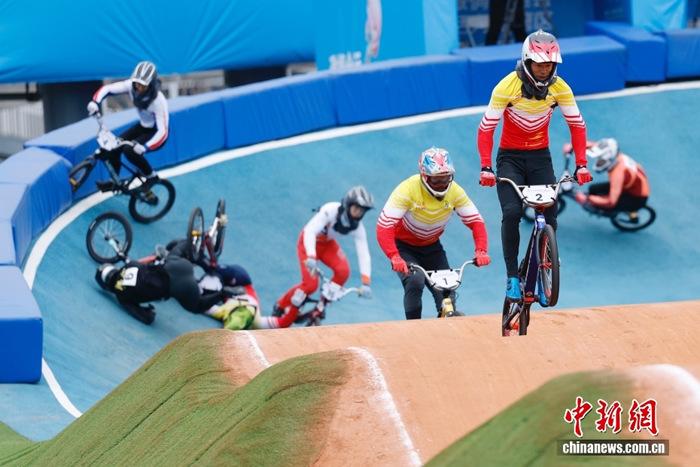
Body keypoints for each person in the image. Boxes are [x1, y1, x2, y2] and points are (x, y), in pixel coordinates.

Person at [476, 30, 592, 303]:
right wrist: (486, 167)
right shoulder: (506, 87)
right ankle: (512, 277)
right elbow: (486, 129)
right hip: (510, 159)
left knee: (550, 211)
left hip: (540, 157)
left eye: (549, 64)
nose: (544, 69)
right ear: (527, 61)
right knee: (512, 212)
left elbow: (577, 125)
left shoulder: (560, 88)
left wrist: (582, 164)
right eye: (539, 64)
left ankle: (545, 259)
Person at [376, 147, 490, 320]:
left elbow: (476, 222)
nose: (442, 184)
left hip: (432, 247)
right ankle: (414, 327)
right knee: (415, 281)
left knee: (447, 289)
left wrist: (481, 250)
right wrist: (394, 256)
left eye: (446, 178)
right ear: (424, 176)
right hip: (404, 247)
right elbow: (384, 226)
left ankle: (446, 323)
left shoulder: (455, 191)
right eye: (436, 179)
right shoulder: (407, 189)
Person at [270, 186, 374, 329]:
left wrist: (366, 282)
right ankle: (280, 305)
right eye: (356, 208)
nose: (358, 213)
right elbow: (310, 231)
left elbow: (363, 252)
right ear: (348, 204)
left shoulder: (358, 227)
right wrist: (311, 256)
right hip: (307, 243)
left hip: (327, 245)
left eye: (362, 211)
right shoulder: (330, 210)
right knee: (310, 285)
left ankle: (320, 307)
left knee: (343, 271)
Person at [95, 239, 229, 325]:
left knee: (197, 306)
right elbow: (148, 262)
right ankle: (198, 243)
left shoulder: (122, 298)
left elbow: (146, 318)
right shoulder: (129, 266)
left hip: (178, 287)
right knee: (182, 245)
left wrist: (149, 310)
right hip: (176, 265)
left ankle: (222, 294)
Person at [86, 61, 168, 191]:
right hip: (142, 126)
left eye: (143, 85)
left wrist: (145, 147)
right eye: (137, 83)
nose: (138, 88)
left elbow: (163, 132)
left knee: (129, 150)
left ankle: (151, 176)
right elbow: (108, 89)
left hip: (154, 133)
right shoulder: (131, 86)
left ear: (151, 85)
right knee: (114, 146)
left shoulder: (158, 101)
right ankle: (115, 181)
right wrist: (95, 102)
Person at [574, 138, 650, 214]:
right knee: (593, 189)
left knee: (601, 203)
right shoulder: (617, 156)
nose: (598, 161)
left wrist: (587, 199)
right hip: (633, 186)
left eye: (601, 159)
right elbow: (598, 147)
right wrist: (573, 146)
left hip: (637, 198)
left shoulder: (617, 173)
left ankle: (630, 213)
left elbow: (611, 202)